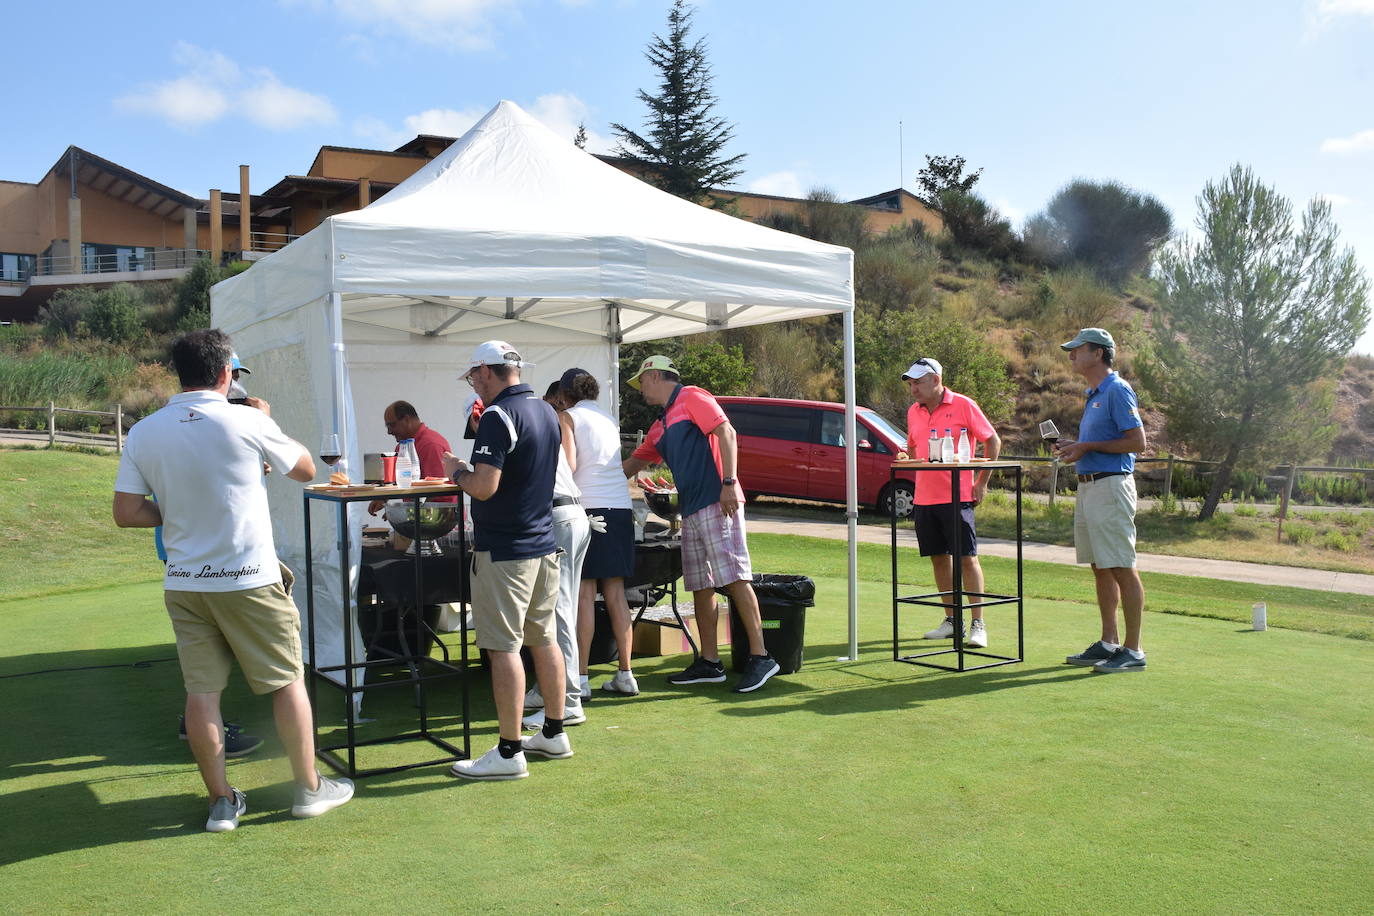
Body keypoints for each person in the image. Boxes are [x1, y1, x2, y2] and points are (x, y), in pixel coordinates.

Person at [112, 328, 353, 832]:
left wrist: (180, 508)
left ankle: (222, 802)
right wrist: (266, 423)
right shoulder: (247, 419)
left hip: (186, 581)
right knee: (286, 682)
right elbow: (307, 469)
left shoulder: (144, 431)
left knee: (203, 693)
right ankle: (308, 789)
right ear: (226, 372)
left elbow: (128, 513)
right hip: (249, 578)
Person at [443, 340, 572, 779]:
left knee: (503, 648)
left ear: (486, 371)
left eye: (474, 376)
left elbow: (484, 487)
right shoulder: (545, 411)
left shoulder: (498, 415)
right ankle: (553, 732)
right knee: (543, 639)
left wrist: (455, 471)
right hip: (541, 543)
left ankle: (509, 750)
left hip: (506, 550)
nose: (474, 384)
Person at [621, 355, 780, 693]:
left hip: (718, 500)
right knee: (701, 585)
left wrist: (728, 483)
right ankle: (709, 662)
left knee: (735, 577)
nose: (640, 390)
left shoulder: (692, 396)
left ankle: (761, 656)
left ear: (656, 376)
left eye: (642, 382)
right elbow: (632, 465)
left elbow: (727, 433)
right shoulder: (659, 426)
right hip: (690, 511)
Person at [1054, 328, 1148, 673]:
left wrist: (1087, 447)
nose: (1071, 355)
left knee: (1121, 564)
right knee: (1100, 566)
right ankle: (1109, 642)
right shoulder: (1092, 393)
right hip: (1090, 487)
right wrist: (1074, 446)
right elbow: (1100, 441)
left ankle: (1134, 651)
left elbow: (1137, 442)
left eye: (1077, 349)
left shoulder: (1117, 390)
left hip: (1111, 487)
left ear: (1097, 353)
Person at [894, 357, 1001, 649]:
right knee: (938, 558)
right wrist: (905, 458)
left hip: (958, 496)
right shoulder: (913, 411)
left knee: (967, 557)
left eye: (919, 382)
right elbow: (913, 448)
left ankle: (978, 624)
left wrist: (982, 482)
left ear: (936, 379)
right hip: (925, 497)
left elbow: (992, 441)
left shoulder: (964, 405)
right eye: (911, 383)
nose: (913, 389)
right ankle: (953, 621)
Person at [559, 368, 639, 700]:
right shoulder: (608, 418)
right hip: (621, 509)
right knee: (617, 595)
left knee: (584, 596)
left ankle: (581, 678)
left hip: (590, 509)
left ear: (564, 394)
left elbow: (570, 465)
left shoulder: (567, 417)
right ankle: (626, 673)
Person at [520, 381, 591, 731]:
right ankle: (549, 689)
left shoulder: (531, 421)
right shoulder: (545, 422)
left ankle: (569, 700)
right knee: (562, 609)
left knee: (558, 612)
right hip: (574, 514)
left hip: (561, 516)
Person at [371, 400, 454, 513]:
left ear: (406, 420)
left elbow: (436, 491)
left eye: (392, 425)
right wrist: (382, 498)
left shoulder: (430, 445)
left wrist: (407, 513)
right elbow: (397, 481)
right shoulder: (403, 447)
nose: (389, 432)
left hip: (441, 519)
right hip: (420, 516)